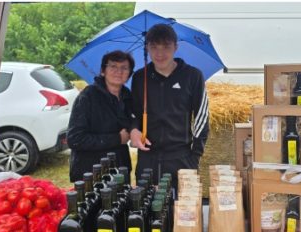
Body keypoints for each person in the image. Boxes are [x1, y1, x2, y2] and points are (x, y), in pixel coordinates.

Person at [128, 23, 209, 189]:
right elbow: (133, 113)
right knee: (147, 210)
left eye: (166, 47)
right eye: (154, 47)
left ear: (175, 47)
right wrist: (133, 130)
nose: (159, 53)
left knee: (182, 212)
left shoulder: (192, 76)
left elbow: (202, 118)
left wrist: (194, 157)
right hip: (147, 160)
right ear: (147, 48)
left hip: (181, 159)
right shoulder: (139, 77)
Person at [68, 50, 134, 182]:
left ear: (129, 74)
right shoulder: (88, 97)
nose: (118, 71)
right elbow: (75, 139)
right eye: (113, 66)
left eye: (124, 68)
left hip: (119, 170)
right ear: (103, 71)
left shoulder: (128, 97)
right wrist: (117, 139)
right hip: (91, 173)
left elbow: (132, 122)